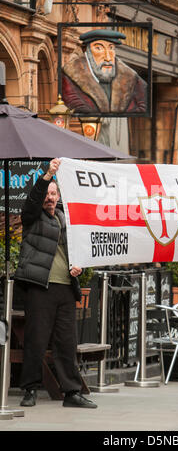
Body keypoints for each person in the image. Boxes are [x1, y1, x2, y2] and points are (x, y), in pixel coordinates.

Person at [14, 158, 97, 409]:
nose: (50, 198)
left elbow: (78, 250)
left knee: (66, 343)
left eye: (53, 193)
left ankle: (71, 392)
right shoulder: (32, 217)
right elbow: (32, 201)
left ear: (59, 195)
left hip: (65, 287)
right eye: (47, 193)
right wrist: (48, 174)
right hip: (41, 286)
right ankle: (29, 389)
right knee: (36, 341)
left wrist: (79, 265)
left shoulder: (66, 219)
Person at [62, 29, 147, 114]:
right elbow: (77, 106)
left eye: (111, 48)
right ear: (87, 52)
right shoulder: (69, 76)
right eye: (99, 48)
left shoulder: (131, 78)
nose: (108, 57)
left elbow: (142, 106)